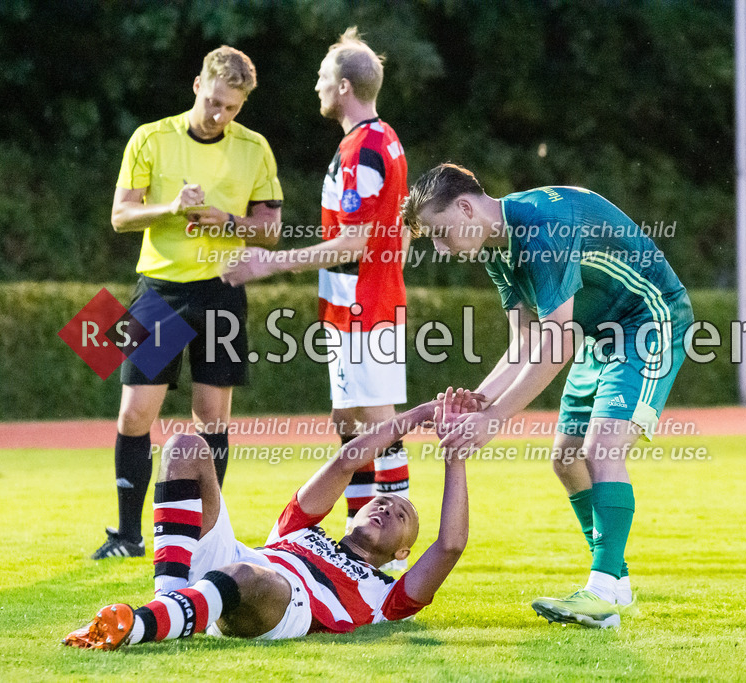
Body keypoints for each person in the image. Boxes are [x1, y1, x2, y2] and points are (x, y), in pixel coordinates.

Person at [401, 164, 694, 629]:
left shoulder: (540, 227)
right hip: (598, 333)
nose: (441, 249)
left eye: (440, 234)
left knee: (602, 450)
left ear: (464, 208)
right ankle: (613, 585)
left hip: (647, 320)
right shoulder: (496, 249)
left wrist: (493, 419)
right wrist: (476, 402)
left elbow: (555, 343)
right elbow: (524, 345)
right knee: (566, 459)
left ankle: (601, 593)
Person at [62, 388, 473, 649]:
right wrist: (420, 414)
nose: (386, 507)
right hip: (233, 565)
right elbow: (347, 461)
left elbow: (450, 545)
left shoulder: (388, 596)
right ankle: (169, 597)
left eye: (401, 514)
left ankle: (137, 627)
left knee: (250, 575)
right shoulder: (301, 528)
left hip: (279, 602)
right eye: (381, 502)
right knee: (185, 445)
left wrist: (455, 455)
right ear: (354, 515)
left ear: (402, 550)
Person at [221, 27, 410, 562]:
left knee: (379, 426)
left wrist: (269, 263)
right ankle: (360, 540)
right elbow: (398, 224)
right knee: (350, 424)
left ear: (346, 86)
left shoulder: (365, 148)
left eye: (324, 78)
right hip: (356, 302)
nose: (317, 86)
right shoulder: (379, 140)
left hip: (363, 305)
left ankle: (393, 551)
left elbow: (352, 241)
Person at [94, 46, 283, 559]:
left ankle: (206, 535)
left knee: (212, 419)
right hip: (157, 288)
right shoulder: (151, 138)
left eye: (233, 108)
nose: (221, 114)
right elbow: (120, 216)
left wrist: (230, 223)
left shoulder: (254, 148)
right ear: (197, 85)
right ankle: (128, 537)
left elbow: (271, 230)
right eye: (216, 101)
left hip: (221, 291)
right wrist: (172, 208)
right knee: (135, 413)